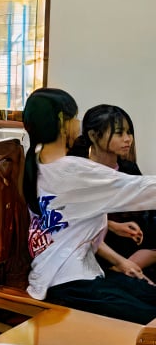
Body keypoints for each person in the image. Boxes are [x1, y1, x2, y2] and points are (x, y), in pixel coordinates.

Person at [23, 88, 156, 324]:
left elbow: (69, 215)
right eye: (75, 117)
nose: (78, 124)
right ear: (63, 123)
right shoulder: (71, 169)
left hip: (57, 274)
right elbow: (143, 190)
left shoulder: (36, 157)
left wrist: (112, 230)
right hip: (70, 283)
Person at [68, 104, 156, 279]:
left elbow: (142, 210)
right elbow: (77, 220)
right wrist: (113, 226)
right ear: (93, 135)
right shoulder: (78, 168)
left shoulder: (128, 168)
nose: (127, 139)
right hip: (98, 244)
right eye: (119, 133)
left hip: (129, 239)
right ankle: (124, 270)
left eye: (129, 132)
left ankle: (129, 268)